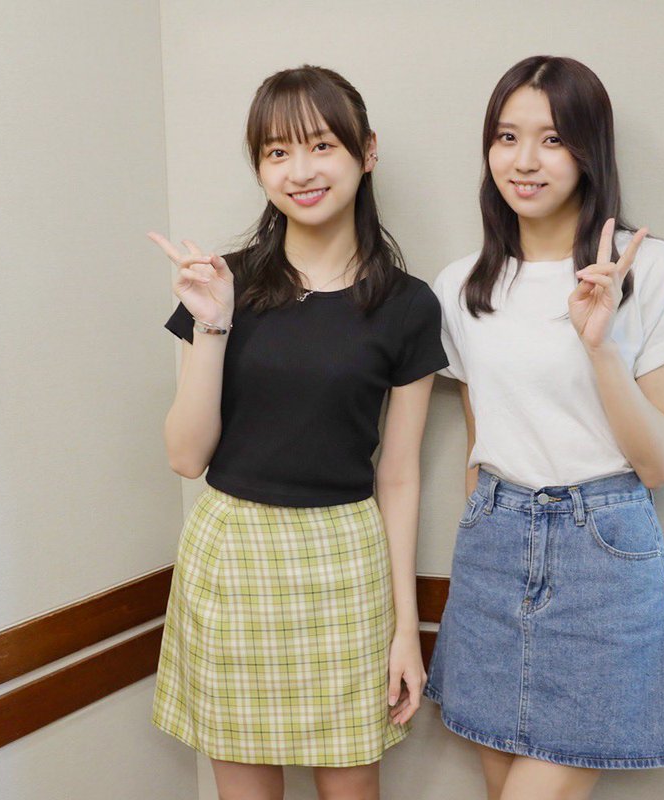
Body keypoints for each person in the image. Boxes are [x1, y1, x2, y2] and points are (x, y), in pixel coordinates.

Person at [147, 65, 448, 800]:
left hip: (346, 557)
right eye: (277, 152)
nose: (301, 171)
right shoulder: (223, 283)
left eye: (321, 145)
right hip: (233, 553)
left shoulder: (407, 305)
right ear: (259, 168)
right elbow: (185, 456)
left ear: (366, 152)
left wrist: (405, 631)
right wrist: (213, 324)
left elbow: (399, 476)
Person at [423, 55, 664, 800]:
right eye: (506, 136)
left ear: (588, 150)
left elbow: (660, 463)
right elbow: (482, 442)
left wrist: (600, 345)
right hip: (491, 548)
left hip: (603, 551)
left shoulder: (653, 271)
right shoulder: (463, 286)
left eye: (551, 139)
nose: (524, 161)